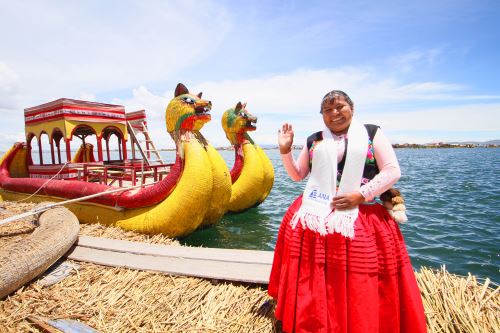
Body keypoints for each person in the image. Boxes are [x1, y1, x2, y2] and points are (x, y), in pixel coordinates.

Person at [268, 90, 427, 333]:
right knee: (315, 273)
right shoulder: (315, 140)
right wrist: (285, 150)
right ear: (322, 115)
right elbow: (297, 175)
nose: (334, 113)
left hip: (361, 215)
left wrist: (361, 195)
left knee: (358, 276)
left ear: (352, 108)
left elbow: (392, 170)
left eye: (340, 107)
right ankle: (314, 320)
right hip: (316, 212)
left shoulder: (372, 133)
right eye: (327, 109)